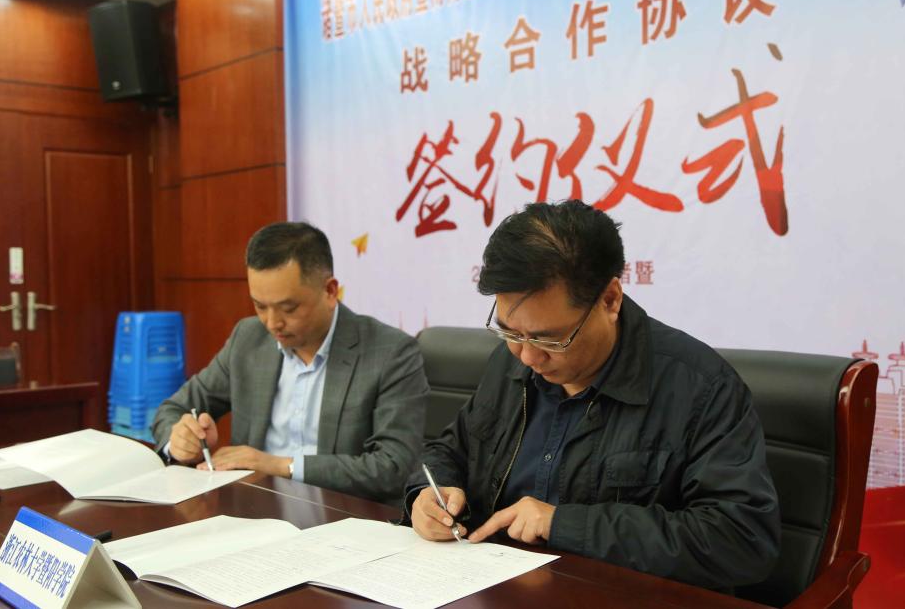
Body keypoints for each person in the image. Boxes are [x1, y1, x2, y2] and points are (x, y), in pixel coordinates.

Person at [405, 200, 780, 589]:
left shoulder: (701, 389)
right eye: (510, 331)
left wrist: (562, 524)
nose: (528, 356)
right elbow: (451, 450)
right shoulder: (512, 360)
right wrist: (430, 493)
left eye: (550, 339)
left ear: (610, 300)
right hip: (492, 586)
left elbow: (741, 540)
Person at [152, 222, 429, 503]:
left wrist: (278, 466)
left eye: (289, 308)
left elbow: (393, 466)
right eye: (260, 306)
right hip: (252, 512)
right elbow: (172, 409)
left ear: (330, 291)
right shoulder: (248, 338)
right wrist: (182, 442)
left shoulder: (390, 352)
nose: (272, 323)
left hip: (343, 515)